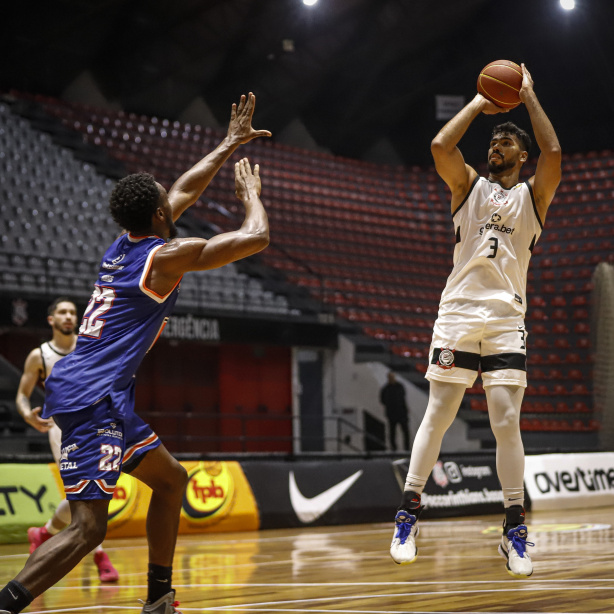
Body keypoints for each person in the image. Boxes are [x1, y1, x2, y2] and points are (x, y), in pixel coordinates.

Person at [0, 92, 271, 614]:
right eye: (165, 203)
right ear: (158, 214)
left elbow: (182, 190)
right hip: (91, 395)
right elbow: (256, 237)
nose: (172, 203)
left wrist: (227, 143)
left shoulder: (123, 245)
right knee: (87, 530)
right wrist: (250, 192)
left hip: (105, 395)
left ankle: (159, 597)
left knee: (171, 481)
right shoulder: (165, 257)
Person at [390, 65, 561, 578]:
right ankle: (407, 514)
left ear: (520, 156)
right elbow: (442, 147)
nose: (497, 146)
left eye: (506, 143)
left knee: (506, 421)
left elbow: (553, 155)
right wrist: (480, 102)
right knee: (438, 414)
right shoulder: (468, 187)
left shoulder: (533, 196)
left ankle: (514, 530)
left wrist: (527, 97)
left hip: (507, 318)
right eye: (493, 141)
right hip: (459, 312)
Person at [15, 297, 119, 582]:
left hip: (97, 422)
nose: (69, 316)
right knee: (85, 494)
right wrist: (28, 415)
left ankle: (45, 532)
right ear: (51, 320)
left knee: (96, 492)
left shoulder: (89, 346)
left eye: (73, 312)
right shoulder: (40, 355)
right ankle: (100, 557)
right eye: (62, 312)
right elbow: (22, 395)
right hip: (61, 427)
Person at [380, 372, 410, 452]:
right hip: (393, 414)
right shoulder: (387, 388)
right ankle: (394, 448)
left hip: (400, 413)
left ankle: (406, 448)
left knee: (404, 432)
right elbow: (383, 400)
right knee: (393, 432)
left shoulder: (396, 387)